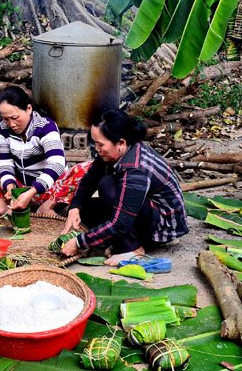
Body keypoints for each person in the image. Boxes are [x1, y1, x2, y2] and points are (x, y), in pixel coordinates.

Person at [60, 109, 189, 266]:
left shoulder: (135, 169)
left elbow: (120, 222)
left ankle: (135, 249)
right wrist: (75, 207)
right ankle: (120, 239)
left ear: (121, 143)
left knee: (107, 186)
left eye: (100, 144)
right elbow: (90, 178)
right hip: (140, 207)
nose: (96, 148)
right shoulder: (116, 151)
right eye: (94, 142)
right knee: (86, 210)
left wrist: (79, 242)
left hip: (162, 224)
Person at [0, 86, 91, 217]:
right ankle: (1, 205)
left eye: (15, 117)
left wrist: (32, 192)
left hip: (48, 191)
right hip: (20, 189)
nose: (11, 124)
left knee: (89, 167)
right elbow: (6, 164)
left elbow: (56, 164)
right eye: (6, 119)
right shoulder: (4, 129)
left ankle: (47, 207)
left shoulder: (46, 127)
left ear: (29, 109)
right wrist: (10, 188)